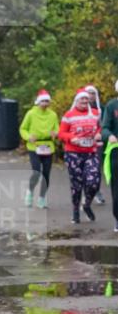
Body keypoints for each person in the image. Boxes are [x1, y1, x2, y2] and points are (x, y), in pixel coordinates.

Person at [57, 88, 102, 224]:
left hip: (91, 153)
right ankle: (75, 210)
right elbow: (61, 133)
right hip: (73, 154)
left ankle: (87, 204)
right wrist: (71, 138)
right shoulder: (69, 115)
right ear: (76, 101)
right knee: (76, 185)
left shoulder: (95, 114)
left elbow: (100, 127)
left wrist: (99, 134)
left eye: (86, 99)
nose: (84, 101)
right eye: (81, 99)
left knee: (94, 182)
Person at [19, 89, 59, 208]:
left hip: (48, 146)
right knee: (36, 172)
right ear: (38, 102)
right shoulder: (31, 113)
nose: (45, 104)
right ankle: (30, 192)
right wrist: (28, 137)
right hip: (34, 147)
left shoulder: (53, 115)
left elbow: (58, 128)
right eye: (43, 101)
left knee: (46, 174)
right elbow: (23, 128)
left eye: (47, 101)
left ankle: (42, 198)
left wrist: (55, 133)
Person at [100, 78, 118, 232]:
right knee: (116, 188)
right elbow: (104, 128)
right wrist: (110, 136)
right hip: (116, 154)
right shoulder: (112, 106)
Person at [85, 84, 106, 205]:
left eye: (93, 93)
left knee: (96, 169)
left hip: (97, 143)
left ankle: (97, 191)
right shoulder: (79, 108)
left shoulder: (101, 109)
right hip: (82, 144)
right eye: (89, 93)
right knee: (83, 169)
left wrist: (101, 134)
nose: (91, 96)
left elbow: (105, 125)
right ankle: (85, 191)